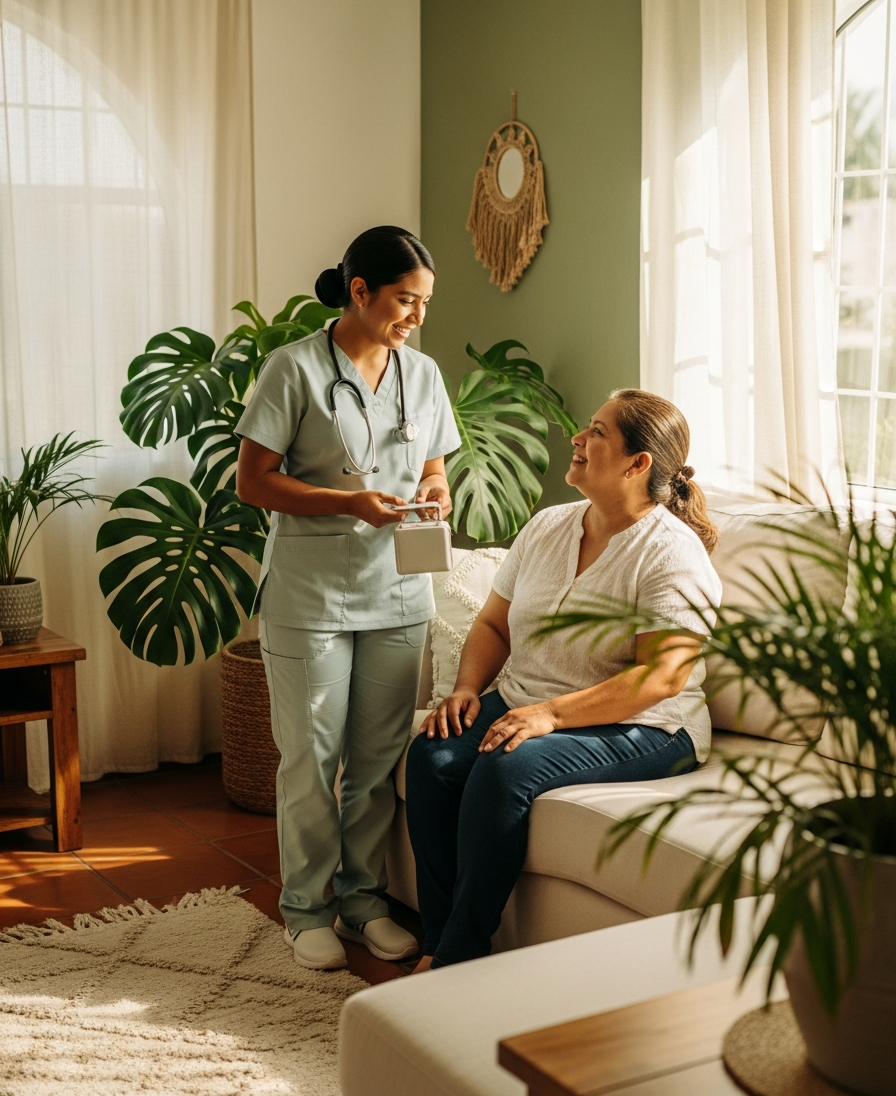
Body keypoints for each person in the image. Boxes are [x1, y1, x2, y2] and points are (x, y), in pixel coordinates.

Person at [405, 389, 722, 970]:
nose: (577, 439)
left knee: (506, 767)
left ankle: (457, 959)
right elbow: (494, 624)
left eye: (596, 432)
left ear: (638, 463)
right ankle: (437, 940)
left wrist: (549, 716)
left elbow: (662, 678)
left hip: (647, 725)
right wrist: (469, 689)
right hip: (526, 700)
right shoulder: (549, 525)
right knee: (433, 755)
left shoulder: (670, 553)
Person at [235, 226, 460, 970]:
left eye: (425, 302)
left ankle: (363, 903)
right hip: (311, 598)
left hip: (398, 594)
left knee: (373, 763)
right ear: (360, 291)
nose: (416, 316)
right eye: (405, 300)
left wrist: (433, 490)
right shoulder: (292, 369)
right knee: (310, 759)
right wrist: (346, 503)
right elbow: (254, 482)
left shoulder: (421, 374)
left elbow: (433, 467)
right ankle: (306, 908)